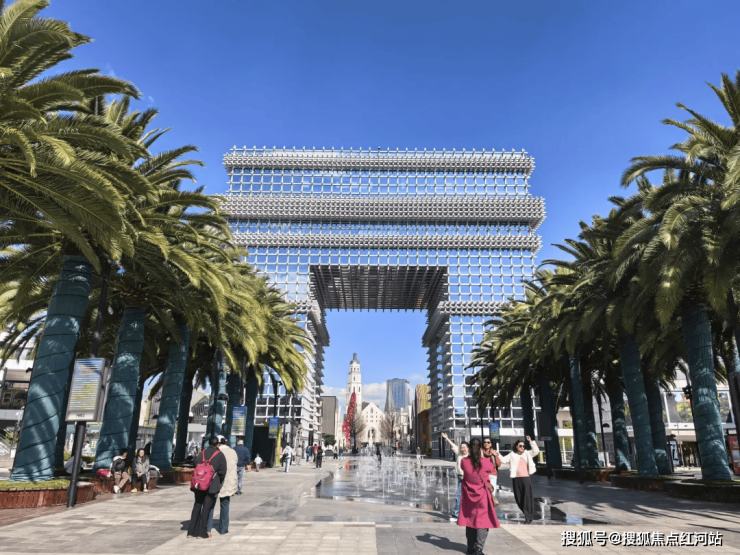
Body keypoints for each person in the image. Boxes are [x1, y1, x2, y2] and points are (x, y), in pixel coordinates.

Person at [458, 438, 499, 554]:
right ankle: (479, 548)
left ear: (469, 448)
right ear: (480, 448)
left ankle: (470, 547)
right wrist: (483, 455)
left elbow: (463, 468)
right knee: (483, 523)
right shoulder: (485, 462)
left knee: (470, 522)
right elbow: (492, 468)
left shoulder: (464, 461)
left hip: (469, 497)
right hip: (482, 497)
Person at [187, 436, 227, 539]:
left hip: (199, 483)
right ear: (218, 444)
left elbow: (195, 463)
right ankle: (201, 533)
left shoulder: (203, 453)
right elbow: (222, 472)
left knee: (197, 505)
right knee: (206, 508)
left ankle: (191, 532)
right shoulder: (220, 455)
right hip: (212, 485)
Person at [494, 436, 539, 524]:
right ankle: (527, 513)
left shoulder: (527, 453)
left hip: (526, 479)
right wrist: (497, 454)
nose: (522, 447)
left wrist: (531, 441)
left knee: (527, 498)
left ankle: (528, 516)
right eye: (520, 446)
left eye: (523, 446)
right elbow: (503, 460)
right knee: (518, 498)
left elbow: (536, 451)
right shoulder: (512, 455)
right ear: (516, 446)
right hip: (516, 479)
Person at [208, 436, 237, 535]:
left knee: (210, 505)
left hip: (214, 482)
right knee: (225, 505)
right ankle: (223, 529)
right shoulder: (233, 452)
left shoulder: (215, 452)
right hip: (228, 482)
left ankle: (208, 528)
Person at [442, 433, 469, 522]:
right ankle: (463, 513)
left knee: (459, 495)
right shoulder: (460, 454)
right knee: (462, 495)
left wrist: (465, 475)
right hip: (460, 477)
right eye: (462, 447)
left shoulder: (470, 456)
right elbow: (453, 445)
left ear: (468, 448)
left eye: (464, 447)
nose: (463, 449)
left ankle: (456, 514)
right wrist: (447, 438)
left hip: (466, 478)